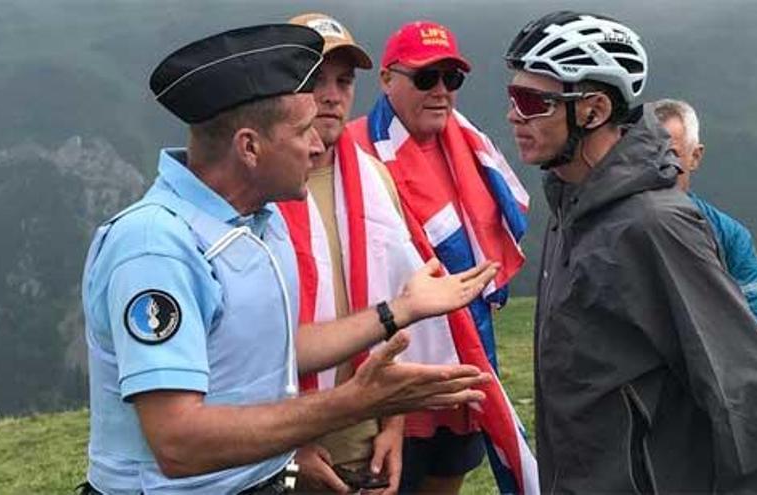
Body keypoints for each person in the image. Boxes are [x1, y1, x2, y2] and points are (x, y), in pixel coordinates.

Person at [79, 24, 499, 495]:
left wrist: (398, 311)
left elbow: (282, 347)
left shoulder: (262, 223)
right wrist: (353, 403)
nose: (318, 146)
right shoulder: (156, 246)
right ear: (250, 148)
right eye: (302, 132)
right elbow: (179, 442)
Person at [505, 11, 757, 492]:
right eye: (513, 97)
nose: (513, 116)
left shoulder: (652, 226)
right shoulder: (572, 210)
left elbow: (750, 393)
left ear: (593, 110)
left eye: (531, 102)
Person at [348, 20, 533, 495]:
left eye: (452, 79)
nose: (441, 92)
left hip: (461, 366)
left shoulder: (473, 152)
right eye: (426, 78)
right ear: (387, 79)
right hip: (388, 374)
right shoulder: (349, 149)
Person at [280, 12, 406, 494]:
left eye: (345, 81)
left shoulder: (376, 179)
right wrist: (285, 448)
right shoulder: (257, 188)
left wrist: (394, 426)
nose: (332, 95)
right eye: (314, 79)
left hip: (364, 449)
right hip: (279, 450)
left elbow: (400, 300)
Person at [654, 98, 757, 353]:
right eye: (647, 155)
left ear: (695, 157)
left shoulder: (730, 236)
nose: (659, 167)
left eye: (672, 154)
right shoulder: (608, 227)